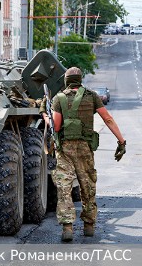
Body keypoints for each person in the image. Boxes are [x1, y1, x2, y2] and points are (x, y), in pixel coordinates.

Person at [42, 67, 126, 242]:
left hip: (65, 150)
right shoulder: (92, 96)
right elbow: (108, 119)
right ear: (80, 80)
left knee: (64, 188)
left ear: (66, 80)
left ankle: (67, 227)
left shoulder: (59, 98)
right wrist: (121, 141)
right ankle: (88, 226)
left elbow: (56, 127)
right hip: (85, 149)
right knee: (87, 186)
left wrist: (45, 115)